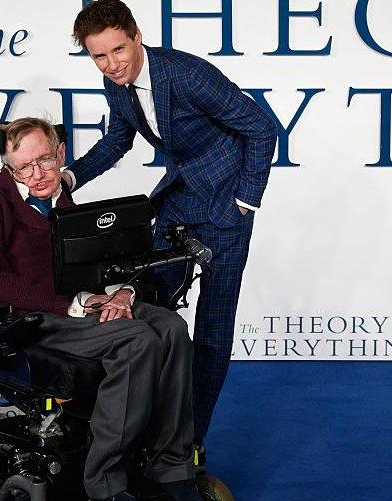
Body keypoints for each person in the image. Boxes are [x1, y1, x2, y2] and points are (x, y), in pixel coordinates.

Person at [0, 117, 212, 501]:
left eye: (44, 161)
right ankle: (106, 484)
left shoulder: (63, 199)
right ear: (8, 168)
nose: (37, 174)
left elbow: (94, 264)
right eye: (24, 167)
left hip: (81, 306)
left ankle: (172, 466)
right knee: (136, 339)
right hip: (35, 319)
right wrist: (79, 303)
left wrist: (122, 292)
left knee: (169, 327)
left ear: (60, 154)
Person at [63, 0, 277, 449]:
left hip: (224, 206)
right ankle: (142, 425)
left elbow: (260, 128)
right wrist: (71, 176)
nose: (112, 64)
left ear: (137, 36)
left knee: (213, 332)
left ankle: (188, 443)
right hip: (178, 198)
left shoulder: (186, 74)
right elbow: (118, 140)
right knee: (150, 299)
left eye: (118, 50)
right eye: (99, 56)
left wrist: (246, 200)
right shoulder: (116, 84)